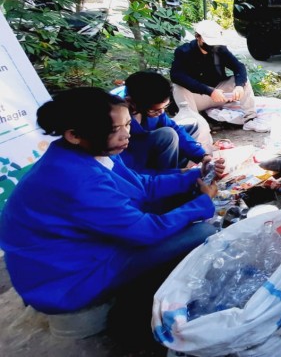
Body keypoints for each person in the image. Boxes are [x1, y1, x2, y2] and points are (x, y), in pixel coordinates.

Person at [0, 87, 218, 322]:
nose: (126, 135)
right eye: (115, 129)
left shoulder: (87, 151)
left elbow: (141, 185)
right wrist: (202, 203)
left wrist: (192, 177)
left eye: (127, 125)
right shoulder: (76, 180)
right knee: (202, 231)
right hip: (66, 279)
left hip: (78, 252)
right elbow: (146, 232)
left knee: (182, 202)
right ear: (74, 134)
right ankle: (136, 303)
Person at [171, 19, 270, 140]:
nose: (212, 46)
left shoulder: (220, 49)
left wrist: (239, 86)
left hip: (221, 94)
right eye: (208, 42)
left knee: (241, 80)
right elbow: (177, 76)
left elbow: (239, 67)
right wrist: (209, 91)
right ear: (198, 37)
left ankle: (250, 118)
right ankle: (196, 125)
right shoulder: (184, 52)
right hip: (198, 97)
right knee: (178, 88)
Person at [122, 70, 213, 173]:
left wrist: (202, 155)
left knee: (191, 126)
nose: (161, 112)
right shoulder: (117, 120)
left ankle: (173, 170)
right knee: (168, 135)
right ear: (132, 102)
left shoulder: (153, 107)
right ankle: (168, 174)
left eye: (165, 107)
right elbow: (125, 167)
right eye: (154, 110)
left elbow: (175, 128)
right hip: (136, 164)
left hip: (152, 151)